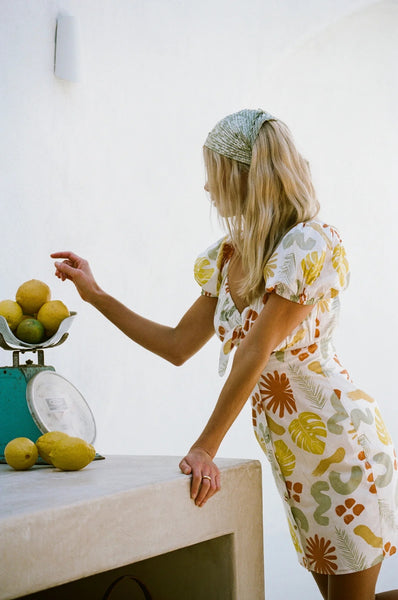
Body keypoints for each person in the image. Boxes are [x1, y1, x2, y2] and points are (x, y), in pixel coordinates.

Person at [52, 109, 398, 600]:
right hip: (292, 455)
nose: (208, 188)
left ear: (243, 175)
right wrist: (96, 295)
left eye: (214, 172)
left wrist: (205, 447)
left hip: (340, 446)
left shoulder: (308, 243)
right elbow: (176, 345)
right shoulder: (227, 256)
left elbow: (254, 351)